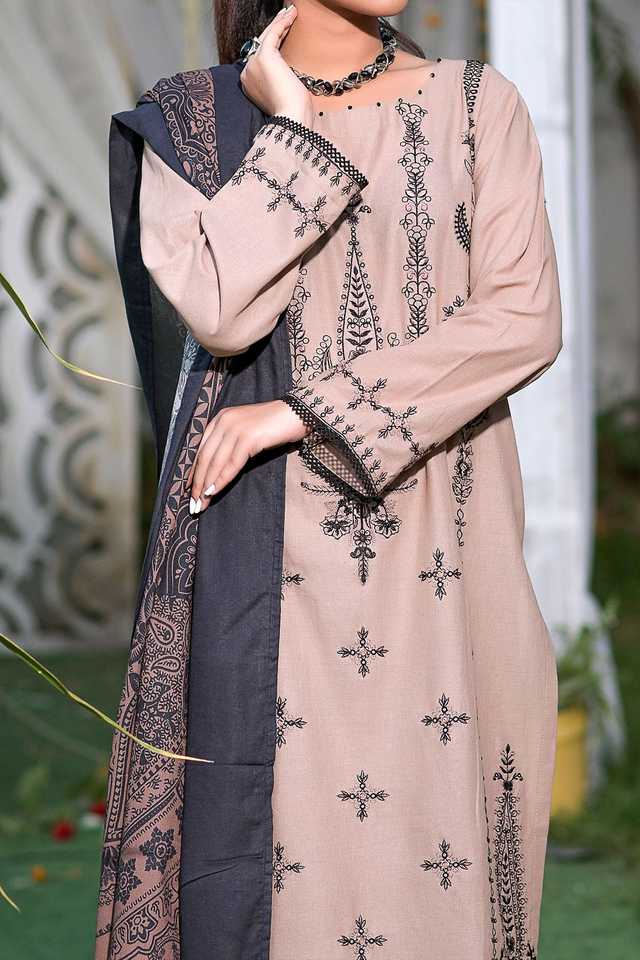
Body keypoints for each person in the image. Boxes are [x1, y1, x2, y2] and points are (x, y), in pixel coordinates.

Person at [97, 3, 562, 959]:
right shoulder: (194, 120)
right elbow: (220, 309)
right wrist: (294, 128)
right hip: (268, 564)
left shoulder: (479, 104)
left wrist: (302, 411)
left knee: (441, 864)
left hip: (448, 546)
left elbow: (523, 317)